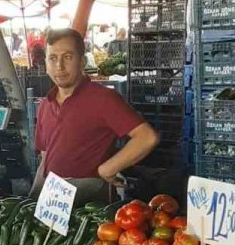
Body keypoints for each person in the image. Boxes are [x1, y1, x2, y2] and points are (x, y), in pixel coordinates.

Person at [32, 28, 159, 203]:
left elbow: (146, 137)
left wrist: (107, 169)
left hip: (90, 204)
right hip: (53, 202)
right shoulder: (46, 105)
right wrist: (34, 195)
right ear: (45, 64)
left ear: (82, 62)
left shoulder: (103, 99)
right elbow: (45, 157)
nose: (59, 66)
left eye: (68, 57)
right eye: (53, 58)